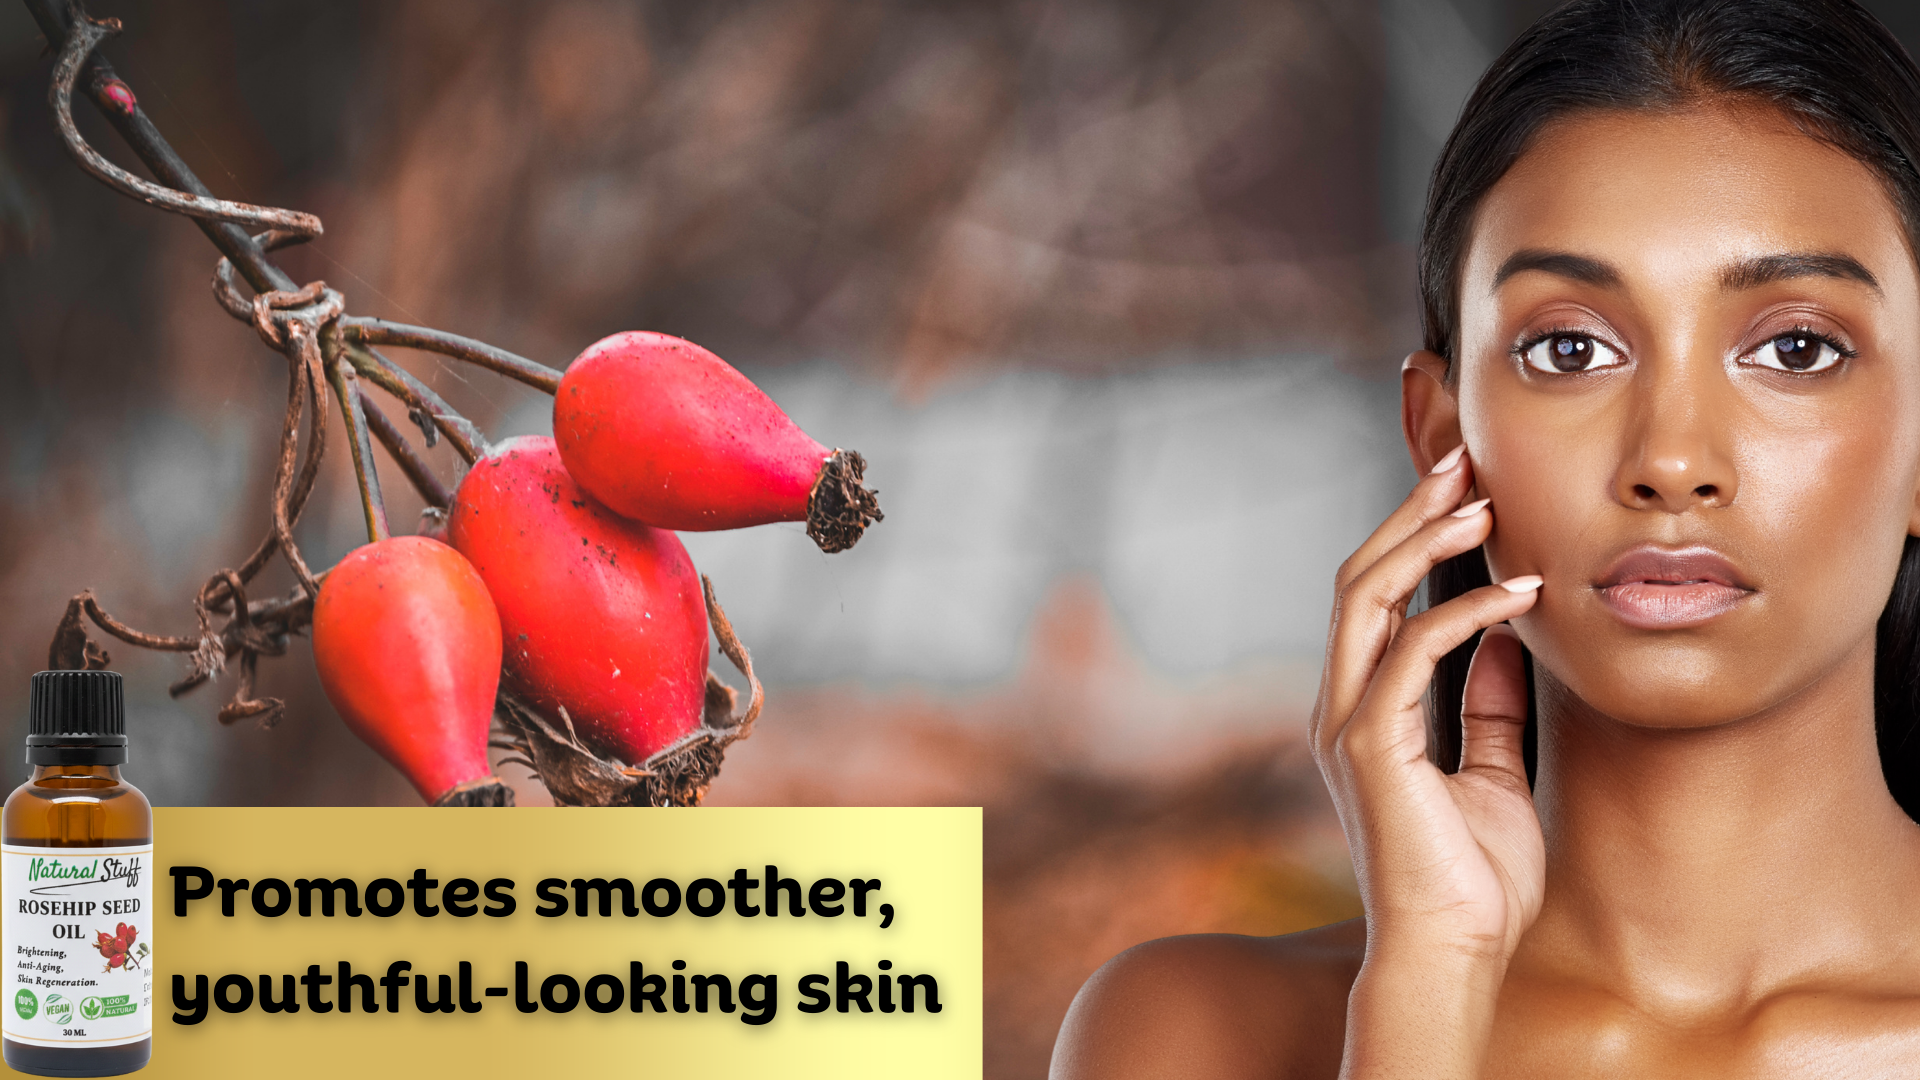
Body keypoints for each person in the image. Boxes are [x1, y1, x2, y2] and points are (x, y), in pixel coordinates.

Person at [1049, 1, 1920, 1075]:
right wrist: (1430, 979)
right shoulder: (1194, 1032)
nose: (1672, 458)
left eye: (1796, 347)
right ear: (1441, 436)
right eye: (1568, 350)